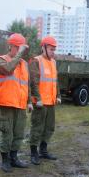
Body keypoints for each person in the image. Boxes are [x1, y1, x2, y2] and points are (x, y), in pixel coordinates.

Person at [0, 33, 33, 172]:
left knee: (19, 133)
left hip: (21, 103)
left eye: (22, 49)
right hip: (7, 103)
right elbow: (8, 69)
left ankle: (14, 157)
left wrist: (29, 101)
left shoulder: (24, 64)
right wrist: (19, 54)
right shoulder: (1, 60)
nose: (21, 51)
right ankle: (5, 160)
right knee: (7, 133)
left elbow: (26, 84)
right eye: (18, 48)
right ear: (10, 46)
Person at [28, 36, 61, 165]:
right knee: (37, 127)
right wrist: (38, 99)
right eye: (51, 49)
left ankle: (43, 150)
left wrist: (58, 95)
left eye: (54, 49)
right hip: (41, 103)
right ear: (43, 48)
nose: (53, 52)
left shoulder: (53, 62)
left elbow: (55, 81)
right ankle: (33, 152)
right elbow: (34, 83)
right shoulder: (36, 61)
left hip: (51, 102)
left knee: (49, 127)